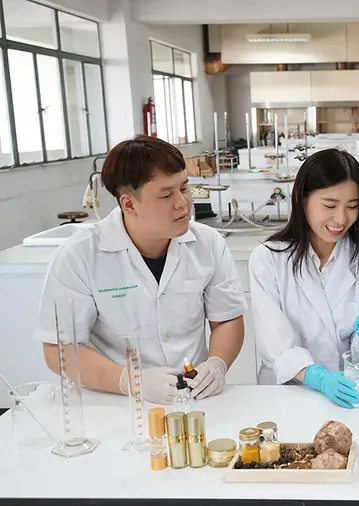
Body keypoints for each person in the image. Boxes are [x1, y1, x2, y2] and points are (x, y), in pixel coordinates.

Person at [34, 136, 246, 404]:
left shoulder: (208, 244)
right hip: (115, 401)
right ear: (129, 204)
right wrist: (132, 381)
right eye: (166, 195)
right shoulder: (79, 256)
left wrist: (217, 364)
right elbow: (59, 349)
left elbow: (226, 319)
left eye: (184, 187)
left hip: (193, 398)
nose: (182, 203)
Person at [249, 148, 359, 408]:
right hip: (286, 395)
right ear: (301, 199)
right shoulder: (268, 259)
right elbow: (274, 342)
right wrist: (318, 377)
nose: (341, 218)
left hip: (349, 393)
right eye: (329, 205)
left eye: (352, 206)